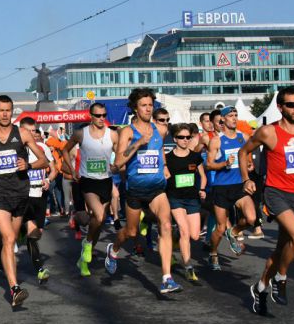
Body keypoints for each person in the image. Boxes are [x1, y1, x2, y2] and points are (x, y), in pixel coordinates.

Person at [241, 87, 294, 315]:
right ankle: (281, 277)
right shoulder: (268, 132)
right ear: (280, 107)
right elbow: (243, 151)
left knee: (281, 251)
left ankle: (259, 288)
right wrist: (246, 179)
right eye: (291, 105)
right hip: (276, 193)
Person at [0, 94, 48, 307]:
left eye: (8, 110)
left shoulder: (23, 133)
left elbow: (43, 160)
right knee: (9, 238)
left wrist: (29, 165)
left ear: (12, 111)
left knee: (11, 239)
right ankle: (15, 288)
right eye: (1, 110)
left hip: (20, 193)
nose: (5, 114)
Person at [108, 88, 182, 294]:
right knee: (131, 233)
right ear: (135, 108)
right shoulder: (128, 132)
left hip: (157, 189)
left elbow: (159, 153)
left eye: (151, 105)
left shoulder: (160, 130)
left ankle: (167, 278)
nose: (148, 109)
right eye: (144, 105)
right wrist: (139, 143)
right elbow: (118, 161)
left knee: (166, 225)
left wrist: (164, 166)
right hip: (135, 189)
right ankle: (113, 249)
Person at [63, 103, 118, 277]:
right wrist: (72, 171)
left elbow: (120, 155)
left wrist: (117, 166)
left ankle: (83, 260)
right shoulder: (81, 133)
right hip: (88, 182)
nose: (101, 118)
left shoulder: (113, 134)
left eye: (104, 115)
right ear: (91, 116)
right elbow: (64, 150)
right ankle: (87, 244)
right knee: (100, 215)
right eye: (98, 115)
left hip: (106, 181)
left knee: (98, 223)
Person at [205, 106, 257, 271]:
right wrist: (224, 164)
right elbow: (209, 164)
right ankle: (213, 253)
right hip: (221, 188)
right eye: (231, 116)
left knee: (251, 219)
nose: (234, 118)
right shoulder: (217, 140)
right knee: (220, 228)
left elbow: (249, 161)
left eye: (236, 115)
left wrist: (249, 165)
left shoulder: (244, 137)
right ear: (223, 120)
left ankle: (233, 231)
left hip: (239, 186)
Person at [165, 124, 207, 282]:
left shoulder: (195, 157)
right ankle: (188, 266)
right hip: (175, 198)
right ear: (175, 139)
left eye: (188, 137)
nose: (185, 140)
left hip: (192, 199)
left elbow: (203, 176)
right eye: (181, 137)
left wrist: (202, 189)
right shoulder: (168, 158)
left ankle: (175, 237)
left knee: (195, 235)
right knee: (184, 231)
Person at [19, 116, 57, 283]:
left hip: (40, 195)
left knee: (37, 233)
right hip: (23, 195)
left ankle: (21, 234)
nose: (33, 134)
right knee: (33, 233)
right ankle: (39, 268)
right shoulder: (17, 149)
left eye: (34, 131)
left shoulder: (42, 147)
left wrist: (48, 180)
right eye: (29, 131)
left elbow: (54, 169)